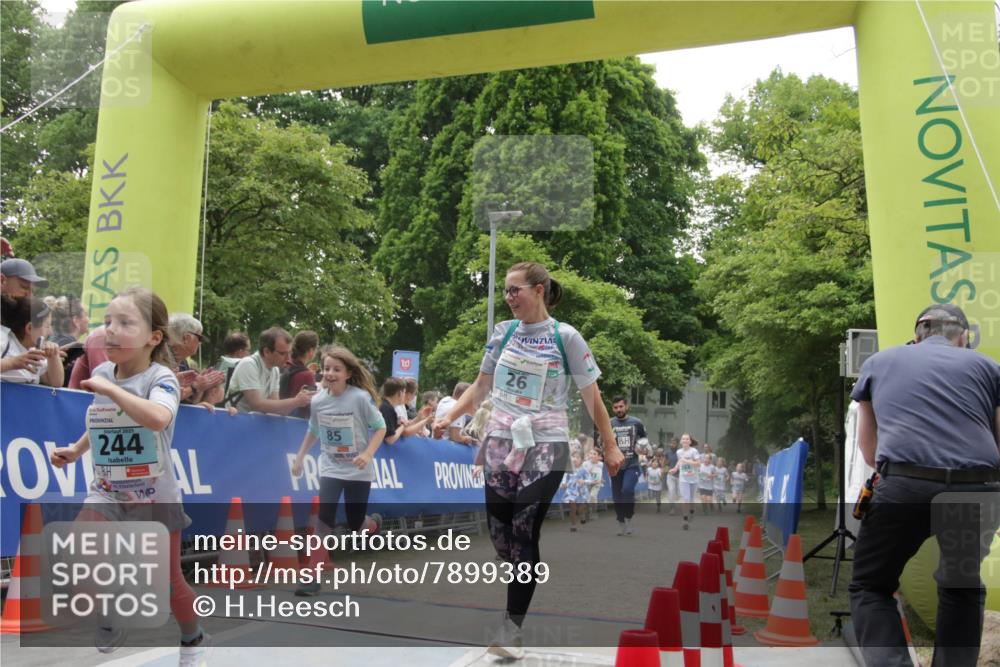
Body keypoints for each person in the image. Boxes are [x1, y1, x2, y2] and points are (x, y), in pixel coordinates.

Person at [431, 260, 624, 659]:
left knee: (523, 530)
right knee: (502, 536)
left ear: (539, 290)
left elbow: (593, 397)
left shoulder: (566, 337)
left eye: (515, 290)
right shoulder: (502, 333)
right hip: (500, 441)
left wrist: (610, 445)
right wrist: (450, 416)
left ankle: (511, 628)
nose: (508, 297)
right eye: (505, 291)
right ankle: (520, 569)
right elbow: (481, 386)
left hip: (546, 443)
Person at [49, 287, 210, 664]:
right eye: (108, 321)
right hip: (107, 490)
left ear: (153, 338)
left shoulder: (162, 379)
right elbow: (104, 418)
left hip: (154, 497)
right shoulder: (103, 372)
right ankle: (111, 611)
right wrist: (76, 449)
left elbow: (157, 418)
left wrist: (112, 390)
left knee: (169, 582)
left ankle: (193, 637)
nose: (111, 330)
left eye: (125, 323)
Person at [848, 303, 1000, 667]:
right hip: (974, 488)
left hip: (904, 484)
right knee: (961, 586)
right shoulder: (988, 367)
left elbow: (869, 450)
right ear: (962, 337)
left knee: (871, 585)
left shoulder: (879, 363)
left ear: (918, 334)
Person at [290, 345, 387, 596]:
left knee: (356, 524)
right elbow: (314, 430)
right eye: (326, 369)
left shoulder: (359, 398)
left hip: (358, 469)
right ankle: (311, 577)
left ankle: (372, 524)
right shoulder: (318, 401)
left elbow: (380, 427)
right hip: (330, 467)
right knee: (324, 521)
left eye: (336, 369)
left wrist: (367, 454)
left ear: (348, 373)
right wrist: (300, 457)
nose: (330, 374)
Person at [225, 327, 314, 415]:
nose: (288, 358)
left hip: (252, 422)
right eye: (283, 353)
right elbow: (257, 405)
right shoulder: (248, 364)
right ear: (266, 351)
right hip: (234, 421)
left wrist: (299, 400)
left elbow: (276, 407)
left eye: (290, 352)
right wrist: (295, 401)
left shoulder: (275, 370)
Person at [1, 296, 63, 386]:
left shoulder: (34, 351)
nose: (51, 332)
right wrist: (12, 363)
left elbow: (55, 383)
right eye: (47, 326)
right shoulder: (3, 339)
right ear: (30, 328)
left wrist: (53, 356)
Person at [167, 314, 226, 407]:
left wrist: (201, 389)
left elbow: (183, 403)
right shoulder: (162, 359)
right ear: (187, 338)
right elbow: (166, 396)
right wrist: (195, 387)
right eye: (200, 338)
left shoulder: (182, 362)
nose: (200, 343)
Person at [609, 396, 647, 536]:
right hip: (615, 466)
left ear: (626, 406)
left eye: (621, 406)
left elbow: (644, 440)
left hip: (632, 464)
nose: (619, 409)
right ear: (613, 409)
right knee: (617, 497)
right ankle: (621, 523)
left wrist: (643, 449)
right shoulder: (610, 423)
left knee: (627, 490)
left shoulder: (636, 422)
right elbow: (604, 442)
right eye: (616, 407)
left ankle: (628, 517)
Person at [379, 376, 434, 444]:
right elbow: (390, 439)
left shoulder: (387, 406)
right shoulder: (388, 409)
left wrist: (418, 418)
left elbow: (400, 429)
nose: (404, 395)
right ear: (399, 393)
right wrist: (425, 421)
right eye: (404, 392)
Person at [279, 330, 319, 418]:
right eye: (316, 348)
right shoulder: (307, 375)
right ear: (311, 350)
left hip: (279, 415)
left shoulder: (286, 365)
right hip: (297, 421)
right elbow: (312, 404)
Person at [669, 433, 701, 530]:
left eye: (687, 439)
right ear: (681, 441)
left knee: (691, 499)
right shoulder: (679, 452)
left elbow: (698, 464)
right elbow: (680, 461)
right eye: (683, 439)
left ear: (690, 441)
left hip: (694, 478)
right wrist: (675, 468)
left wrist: (686, 461)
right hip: (683, 478)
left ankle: (692, 512)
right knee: (685, 498)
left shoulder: (694, 451)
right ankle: (685, 519)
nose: (685, 440)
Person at [560, 451, 588, 531]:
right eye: (573, 457)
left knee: (581, 507)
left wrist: (584, 481)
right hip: (571, 490)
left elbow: (589, 478)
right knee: (573, 508)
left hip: (582, 490)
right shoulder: (568, 468)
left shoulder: (584, 468)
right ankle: (573, 525)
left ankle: (581, 514)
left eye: (577, 457)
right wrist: (563, 483)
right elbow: (564, 476)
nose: (575, 459)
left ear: (582, 460)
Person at [666, 437, 680, 515]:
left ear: (677, 444)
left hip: (680, 476)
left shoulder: (680, 452)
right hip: (670, 475)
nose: (672, 445)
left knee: (678, 494)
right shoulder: (667, 453)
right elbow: (665, 462)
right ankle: (672, 508)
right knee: (671, 491)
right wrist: (664, 469)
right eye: (671, 443)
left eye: (674, 443)